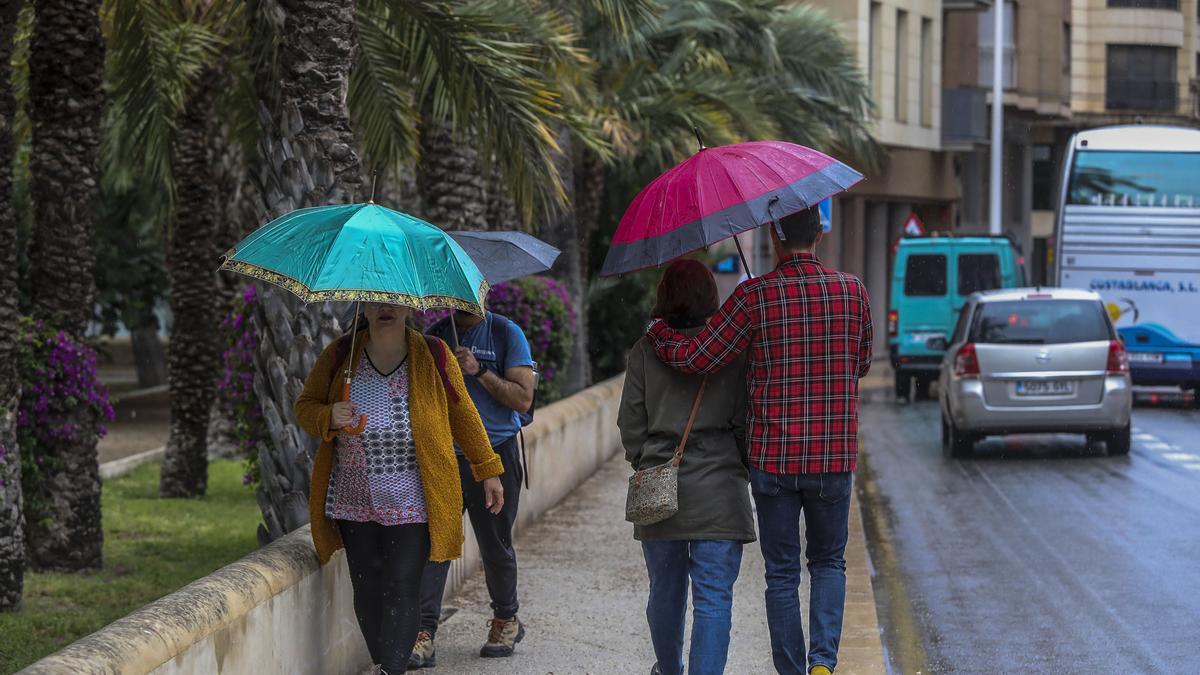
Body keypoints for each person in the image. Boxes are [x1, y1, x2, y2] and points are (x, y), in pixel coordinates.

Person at [645, 206, 873, 675]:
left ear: (774, 234)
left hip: (775, 461)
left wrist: (659, 334)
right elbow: (862, 361)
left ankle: (791, 669)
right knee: (829, 563)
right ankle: (823, 664)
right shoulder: (853, 291)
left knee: (783, 573)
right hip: (833, 457)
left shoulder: (755, 297)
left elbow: (699, 357)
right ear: (821, 233)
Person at [295, 302, 506, 675]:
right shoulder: (342, 353)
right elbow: (304, 406)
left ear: (409, 307)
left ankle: (391, 670)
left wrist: (487, 468)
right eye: (375, 301)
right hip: (353, 496)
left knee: (402, 585)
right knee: (368, 587)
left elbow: (463, 413)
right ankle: (383, 663)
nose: (385, 308)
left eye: (394, 301)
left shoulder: (434, 353)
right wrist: (328, 415)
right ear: (364, 306)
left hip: (413, 496)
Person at [618, 259, 754, 675]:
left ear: (665, 297)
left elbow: (631, 423)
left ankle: (669, 670)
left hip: (662, 491)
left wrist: (649, 462)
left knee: (666, 592)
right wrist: (740, 465)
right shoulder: (732, 350)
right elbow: (744, 419)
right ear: (711, 297)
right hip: (720, 491)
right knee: (714, 598)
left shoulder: (645, 351)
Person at [412, 308, 537, 666]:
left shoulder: (505, 333)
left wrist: (478, 371)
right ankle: (424, 634)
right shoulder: (434, 336)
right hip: (445, 457)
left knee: (494, 545)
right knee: (437, 544)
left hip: (495, 456)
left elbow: (522, 399)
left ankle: (506, 619)